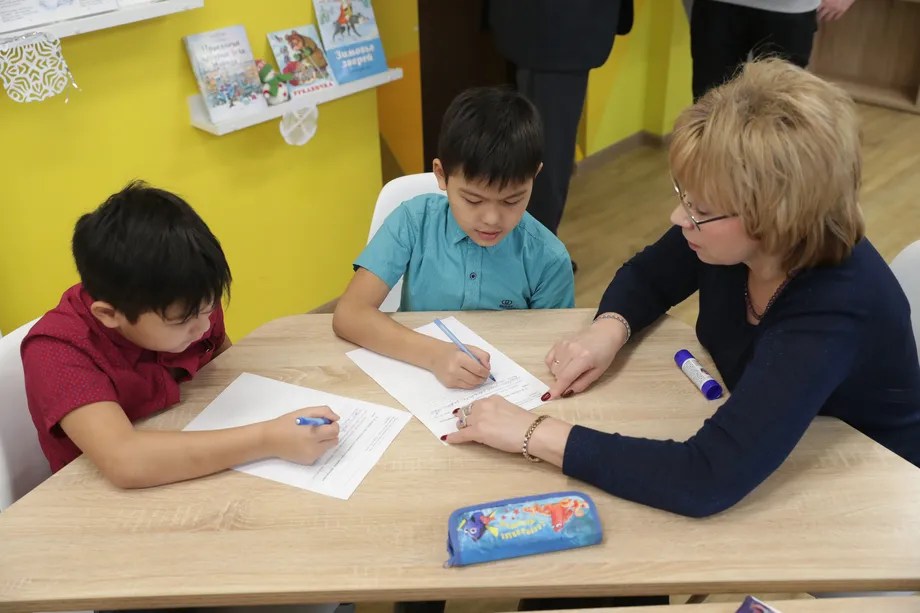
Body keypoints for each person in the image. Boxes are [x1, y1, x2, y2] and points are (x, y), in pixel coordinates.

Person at [443, 59, 920, 519]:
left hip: (863, 486)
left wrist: (531, 431)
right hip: (772, 442)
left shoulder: (837, 308)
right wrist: (606, 332)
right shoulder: (726, 239)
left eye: (700, 208)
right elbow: (648, 276)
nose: (679, 217)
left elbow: (706, 478)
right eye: (683, 196)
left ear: (774, 219)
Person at [21, 182, 340, 488]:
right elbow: (125, 460)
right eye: (183, 320)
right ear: (110, 315)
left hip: (196, 457)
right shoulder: (57, 350)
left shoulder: (188, 297)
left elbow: (223, 369)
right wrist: (267, 438)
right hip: (101, 503)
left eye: (210, 306)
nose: (203, 326)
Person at [333, 86, 574, 390]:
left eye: (512, 201)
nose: (492, 219)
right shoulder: (413, 221)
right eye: (473, 200)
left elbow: (551, 352)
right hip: (416, 374)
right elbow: (349, 314)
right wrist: (435, 355)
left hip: (505, 390)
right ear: (441, 174)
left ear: (535, 176)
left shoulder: (548, 257)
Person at [488, 0, 634, 256]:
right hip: (553, 27)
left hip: (554, 28)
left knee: (542, 149)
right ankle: (536, 257)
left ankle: (532, 251)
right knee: (545, 151)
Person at [690, 0, 856, 101]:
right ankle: (710, 159)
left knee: (782, 103)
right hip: (717, 6)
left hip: (789, 9)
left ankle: (774, 160)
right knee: (709, 98)